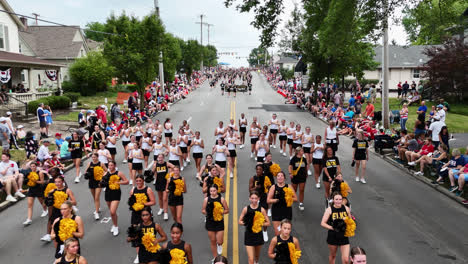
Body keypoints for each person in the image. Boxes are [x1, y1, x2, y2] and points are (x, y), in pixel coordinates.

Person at [239, 191, 270, 264]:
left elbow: (268, 223)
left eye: (256, 198)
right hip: (249, 235)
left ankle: (256, 262)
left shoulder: (262, 209)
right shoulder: (246, 209)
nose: (254, 200)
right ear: (249, 198)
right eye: (252, 198)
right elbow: (239, 221)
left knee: (256, 257)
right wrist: (248, 223)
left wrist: (259, 223)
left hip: (258, 235)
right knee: (251, 259)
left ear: (258, 199)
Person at [321, 192, 352, 264]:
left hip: (344, 236)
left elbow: (350, 221)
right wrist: (333, 228)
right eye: (336, 199)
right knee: (333, 256)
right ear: (333, 200)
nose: (338, 201)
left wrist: (348, 223)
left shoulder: (346, 208)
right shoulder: (329, 210)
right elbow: (322, 223)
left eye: (340, 199)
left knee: (346, 259)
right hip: (333, 236)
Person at [202, 184, 229, 258]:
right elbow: (203, 210)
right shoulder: (206, 199)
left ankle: (219, 245)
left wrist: (220, 212)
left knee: (220, 241)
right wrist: (208, 213)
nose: (212, 192)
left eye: (214, 191)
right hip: (210, 222)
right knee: (213, 241)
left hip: (219, 222)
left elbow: (227, 210)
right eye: (211, 191)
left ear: (217, 191)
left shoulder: (221, 199)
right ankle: (215, 258)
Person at [267, 171, 297, 235]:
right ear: (276, 178)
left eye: (282, 176)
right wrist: (276, 200)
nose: (280, 177)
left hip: (287, 211)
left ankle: (285, 245)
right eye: (278, 176)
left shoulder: (289, 186)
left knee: (285, 233)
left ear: (284, 178)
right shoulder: (273, 187)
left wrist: (287, 199)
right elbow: (268, 200)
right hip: (276, 211)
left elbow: (296, 199)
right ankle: (278, 244)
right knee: (278, 233)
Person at [104, 160, 129, 236]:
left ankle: (115, 226)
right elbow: (102, 182)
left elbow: (126, 181)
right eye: (109, 165)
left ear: (115, 166)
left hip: (116, 193)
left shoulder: (119, 173)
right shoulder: (106, 173)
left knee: (112, 211)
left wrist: (118, 182)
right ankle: (114, 222)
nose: (110, 167)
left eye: (111, 165)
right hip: (108, 192)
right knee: (112, 212)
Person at [84, 153, 106, 220]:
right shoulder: (89, 164)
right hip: (91, 182)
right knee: (94, 197)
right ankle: (98, 207)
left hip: (98, 182)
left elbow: (106, 171)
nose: (93, 158)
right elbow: (85, 172)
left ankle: (96, 213)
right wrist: (87, 174)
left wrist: (102, 176)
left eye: (94, 157)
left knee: (96, 197)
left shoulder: (101, 164)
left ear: (97, 157)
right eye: (92, 157)